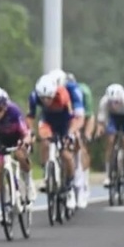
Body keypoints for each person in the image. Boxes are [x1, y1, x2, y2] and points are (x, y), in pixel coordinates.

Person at [26, 74, 84, 209]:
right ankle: (46, 173)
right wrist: (31, 132)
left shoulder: (63, 95)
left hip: (64, 121)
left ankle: (69, 187)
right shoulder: (34, 96)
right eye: (43, 98)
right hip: (47, 121)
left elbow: (72, 117)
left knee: (66, 155)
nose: (46, 101)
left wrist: (70, 133)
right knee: (45, 142)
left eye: (49, 98)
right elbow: (30, 116)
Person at [0, 87, 35, 213]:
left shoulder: (13, 110)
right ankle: (4, 208)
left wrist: (26, 141)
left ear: (5, 106)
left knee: (20, 155)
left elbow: (25, 132)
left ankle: (28, 183)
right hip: (1, 140)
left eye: (0, 109)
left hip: (18, 137)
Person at [97, 84, 124, 187]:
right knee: (110, 141)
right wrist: (100, 130)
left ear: (120, 98)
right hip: (113, 118)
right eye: (111, 102)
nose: (113, 105)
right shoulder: (104, 101)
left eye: (116, 102)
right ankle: (108, 175)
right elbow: (101, 121)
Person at [66, 72, 96, 204]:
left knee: (81, 144)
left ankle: (83, 182)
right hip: (68, 118)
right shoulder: (60, 95)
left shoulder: (83, 92)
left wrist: (86, 134)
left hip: (84, 116)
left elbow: (87, 117)